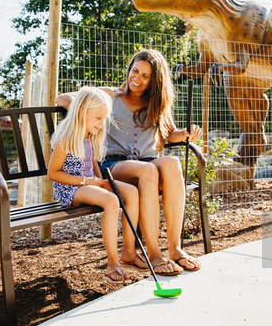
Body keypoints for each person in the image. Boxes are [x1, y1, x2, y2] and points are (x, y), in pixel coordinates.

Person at [55, 49, 203, 276]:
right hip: (113, 166)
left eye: (146, 76)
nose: (137, 78)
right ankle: (154, 254)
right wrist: (86, 110)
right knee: (148, 170)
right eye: (135, 71)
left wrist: (186, 134)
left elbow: (169, 133)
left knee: (172, 163)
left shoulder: (157, 103)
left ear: (155, 80)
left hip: (146, 163)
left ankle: (175, 249)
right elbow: (62, 98)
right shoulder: (110, 95)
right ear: (129, 69)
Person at [48, 87, 140, 284]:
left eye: (104, 118)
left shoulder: (88, 135)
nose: (102, 123)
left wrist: (102, 180)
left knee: (131, 192)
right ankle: (112, 263)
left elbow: (92, 163)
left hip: (88, 183)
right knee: (111, 200)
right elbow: (53, 174)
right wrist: (85, 182)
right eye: (98, 117)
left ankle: (129, 252)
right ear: (81, 112)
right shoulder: (67, 138)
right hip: (71, 189)